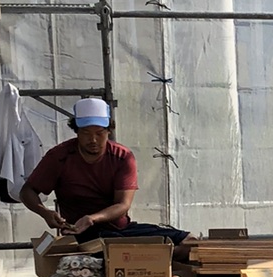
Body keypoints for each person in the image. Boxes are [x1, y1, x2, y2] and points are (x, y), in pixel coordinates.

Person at [19, 98, 184, 242]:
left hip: (120, 230)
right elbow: (28, 191)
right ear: (76, 131)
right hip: (79, 234)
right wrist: (45, 213)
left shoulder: (122, 157)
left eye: (99, 133)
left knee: (186, 241)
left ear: (109, 131)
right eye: (86, 133)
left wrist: (92, 219)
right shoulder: (59, 156)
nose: (93, 140)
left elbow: (123, 204)